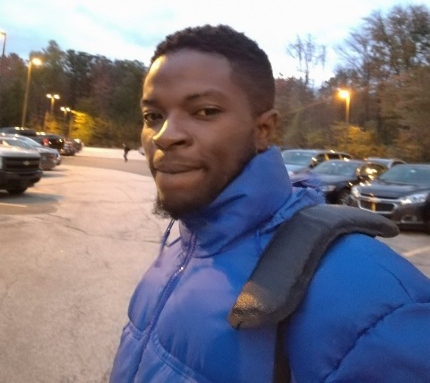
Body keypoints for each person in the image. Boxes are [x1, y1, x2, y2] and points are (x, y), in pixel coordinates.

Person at [110, 24, 430, 382]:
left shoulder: (371, 298)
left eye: (205, 111)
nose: (164, 136)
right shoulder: (181, 245)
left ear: (263, 130)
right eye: (153, 116)